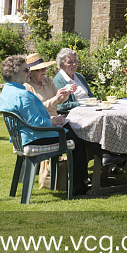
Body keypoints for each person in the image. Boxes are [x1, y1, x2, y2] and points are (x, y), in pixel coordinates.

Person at [0, 54, 92, 196]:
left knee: (72, 132)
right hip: (34, 137)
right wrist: (54, 121)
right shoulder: (23, 95)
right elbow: (36, 123)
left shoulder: (7, 90)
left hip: (22, 137)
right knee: (78, 140)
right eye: (26, 70)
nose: (29, 73)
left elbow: (32, 119)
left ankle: (81, 179)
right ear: (14, 74)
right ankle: (79, 184)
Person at [23, 52, 77, 189]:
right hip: (44, 126)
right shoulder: (27, 87)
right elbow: (37, 109)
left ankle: (80, 177)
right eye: (40, 69)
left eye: (45, 68)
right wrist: (56, 99)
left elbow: (59, 101)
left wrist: (66, 93)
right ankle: (77, 181)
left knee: (81, 131)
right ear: (31, 72)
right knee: (78, 139)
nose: (44, 71)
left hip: (56, 122)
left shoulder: (47, 81)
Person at [53, 48, 92, 112]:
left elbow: (90, 96)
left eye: (75, 60)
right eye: (70, 62)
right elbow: (62, 105)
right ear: (61, 66)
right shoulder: (58, 80)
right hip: (76, 112)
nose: (74, 64)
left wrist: (96, 101)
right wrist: (83, 104)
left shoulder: (79, 76)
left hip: (90, 108)